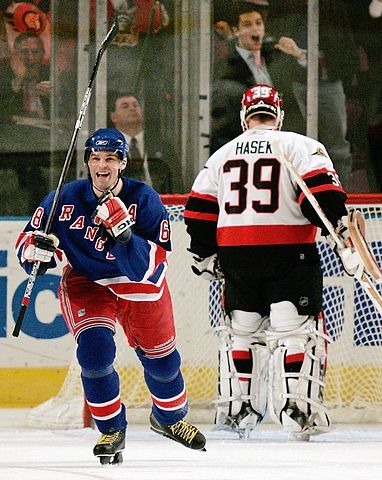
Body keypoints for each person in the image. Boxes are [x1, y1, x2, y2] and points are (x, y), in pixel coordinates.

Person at [15, 128, 206, 464]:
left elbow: (146, 269)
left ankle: (170, 418)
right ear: (88, 161)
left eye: (110, 159)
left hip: (141, 287)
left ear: (123, 163)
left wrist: (123, 234)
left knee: (163, 363)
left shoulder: (144, 199)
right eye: (95, 158)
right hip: (88, 282)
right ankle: (111, 428)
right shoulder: (64, 196)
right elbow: (28, 240)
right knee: (94, 352)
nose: (102, 166)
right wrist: (35, 252)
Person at [184, 84, 361, 441]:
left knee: (241, 332)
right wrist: (339, 232)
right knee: (294, 333)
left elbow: (198, 210)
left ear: (243, 115)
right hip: (289, 253)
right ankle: (298, 412)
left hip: (237, 256)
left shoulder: (221, 155)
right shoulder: (300, 145)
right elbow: (323, 198)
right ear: (278, 114)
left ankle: (236, 413)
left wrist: (204, 253)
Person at [268, 0, 360, 190]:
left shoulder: (332, 8)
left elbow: (345, 51)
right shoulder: (287, 8)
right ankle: (297, 196)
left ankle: (338, 196)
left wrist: (305, 56)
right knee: (296, 145)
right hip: (294, 82)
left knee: (337, 148)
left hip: (329, 82)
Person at [211, 0, 302, 154]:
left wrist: (300, 55)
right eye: (247, 25)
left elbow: (296, 101)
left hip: (281, 145)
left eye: (258, 23)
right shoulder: (227, 65)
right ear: (236, 31)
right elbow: (223, 125)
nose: (255, 29)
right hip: (246, 148)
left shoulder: (276, 57)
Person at [0, 30, 50, 213]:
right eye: (24, 52)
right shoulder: (4, 79)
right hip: (11, 154)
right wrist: (18, 81)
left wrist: (57, 98)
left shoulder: (55, 78)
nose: (29, 57)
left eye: (35, 52)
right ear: (14, 55)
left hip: (46, 152)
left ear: (43, 56)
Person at [109, 91, 182, 193]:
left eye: (135, 105)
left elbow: (176, 183)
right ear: (113, 117)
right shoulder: (108, 150)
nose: (132, 109)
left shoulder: (163, 147)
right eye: (125, 106)